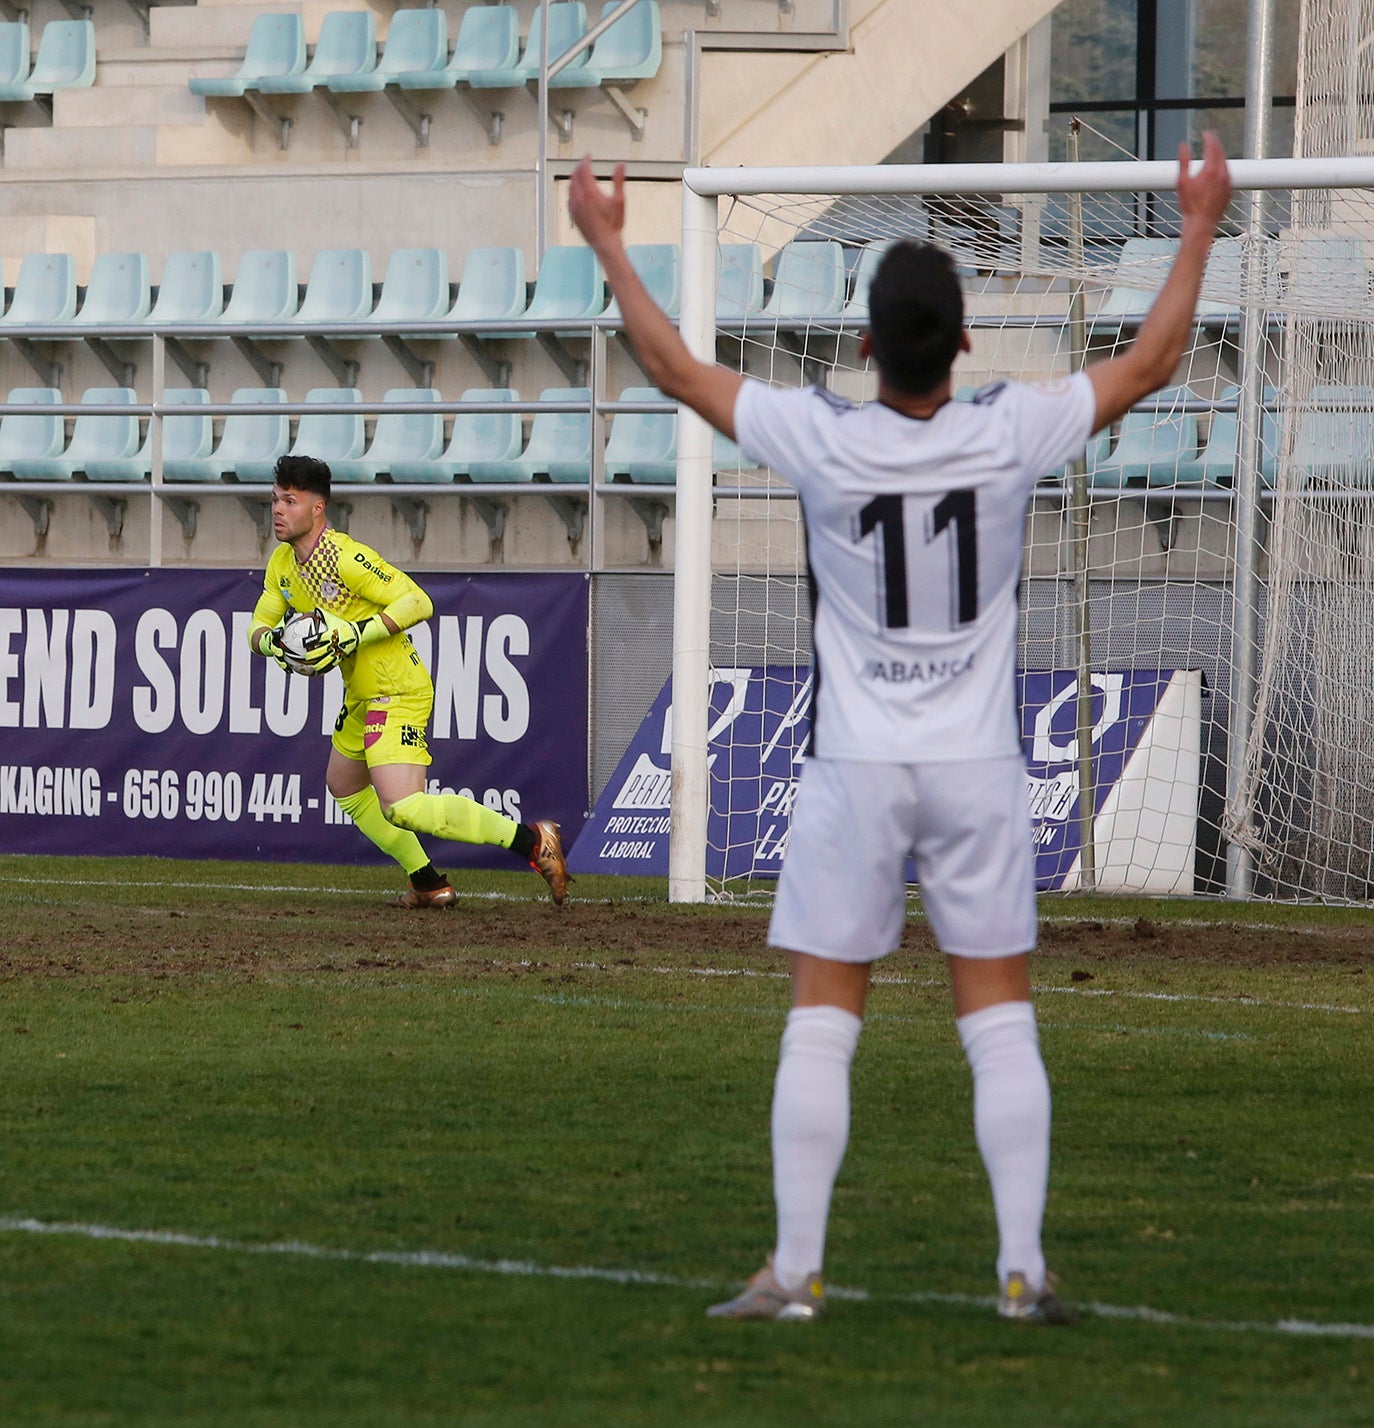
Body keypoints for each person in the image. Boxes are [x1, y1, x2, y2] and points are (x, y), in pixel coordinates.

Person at [569, 135, 1232, 1321]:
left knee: (824, 1020)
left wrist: (612, 242)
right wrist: (1194, 227)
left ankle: (797, 1269)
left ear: (866, 343)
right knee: (999, 1017)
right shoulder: (1009, 430)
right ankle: (1022, 1269)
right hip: (979, 766)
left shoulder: (823, 435)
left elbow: (672, 367)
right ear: (966, 340)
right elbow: (1157, 358)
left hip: (856, 767)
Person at [247, 454, 569, 907]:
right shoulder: (283, 563)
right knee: (344, 786)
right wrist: (274, 644)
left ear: (318, 508)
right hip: (361, 693)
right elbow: (259, 625)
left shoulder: (348, 558)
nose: (278, 509)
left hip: (398, 688)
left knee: (402, 807)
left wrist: (356, 633)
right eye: (276, 499)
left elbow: (417, 601)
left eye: (290, 501)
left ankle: (533, 841)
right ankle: (427, 881)